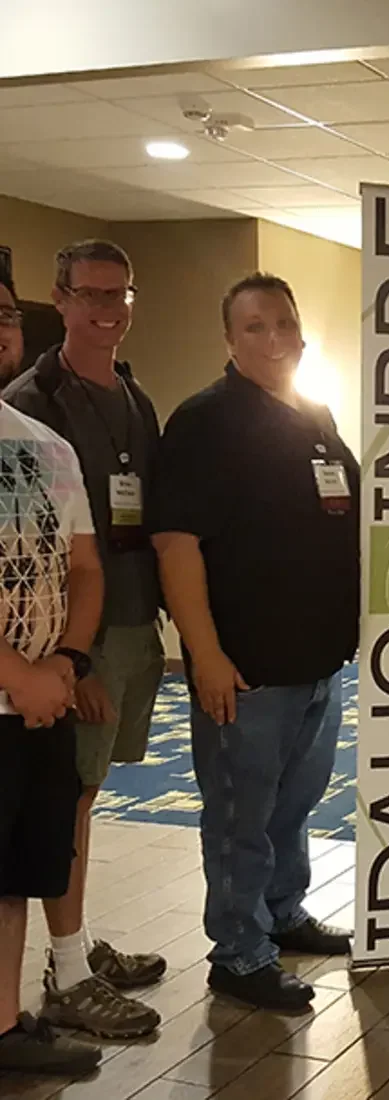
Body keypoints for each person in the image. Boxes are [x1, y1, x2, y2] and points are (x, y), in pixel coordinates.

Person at [151, 273, 359, 1012]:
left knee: (291, 807)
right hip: (244, 671)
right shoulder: (205, 422)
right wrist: (203, 654)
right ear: (230, 340)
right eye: (255, 327)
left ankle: (281, 912)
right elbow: (176, 545)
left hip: (317, 666)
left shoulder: (315, 414)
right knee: (239, 816)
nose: (274, 340)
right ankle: (237, 954)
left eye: (285, 325)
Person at [3, 240, 163, 1037]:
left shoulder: (135, 397)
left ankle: (76, 940)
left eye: (121, 294)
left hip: (131, 622)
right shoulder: (35, 402)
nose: (108, 307)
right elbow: (39, 553)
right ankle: (65, 965)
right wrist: (76, 660)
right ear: (59, 299)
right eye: (92, 293)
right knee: (66, 800)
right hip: (74, 649)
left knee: (86, 800)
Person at [0, 272, 107, 1075]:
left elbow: (85, 568)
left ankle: (4, 1028)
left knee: (16, 873)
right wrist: (17, 673)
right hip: (17, 693)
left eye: (3, 315)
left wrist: (64, 664)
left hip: (42, 701)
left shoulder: (45, 446)